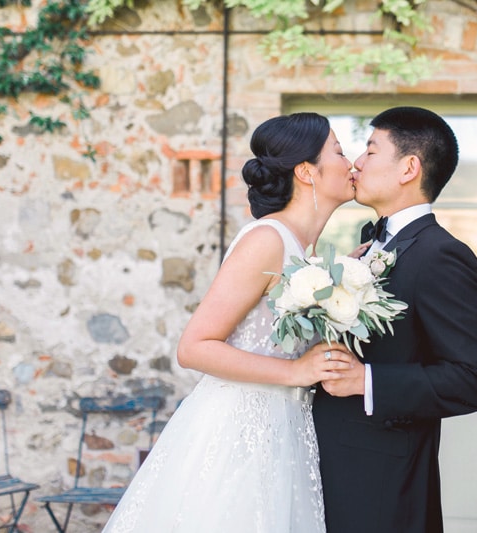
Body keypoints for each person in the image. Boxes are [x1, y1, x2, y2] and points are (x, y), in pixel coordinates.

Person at [103, 112, 356, 533]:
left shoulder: (307, 251)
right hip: (237, 434)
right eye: (340, 151)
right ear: (307, 171)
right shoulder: (266, 240)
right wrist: (296, 370)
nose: (351, 164)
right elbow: (195, 346)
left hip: (286, 430)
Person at [312, 106, 477, 533]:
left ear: (409, 168)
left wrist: (367, 381)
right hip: (328, 461)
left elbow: (474, 379)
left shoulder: (441, 256)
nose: (357, 162)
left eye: (371, 150)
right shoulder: (369, 242)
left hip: (381, 483)